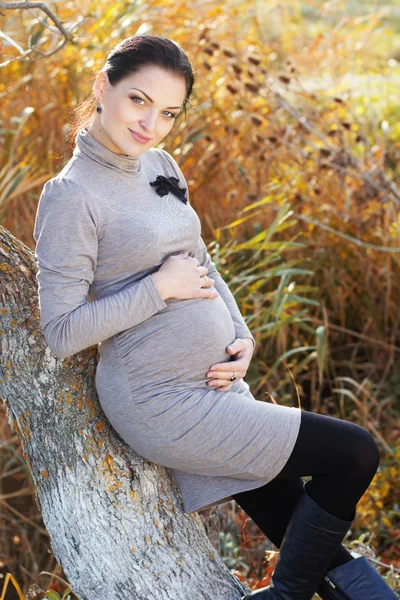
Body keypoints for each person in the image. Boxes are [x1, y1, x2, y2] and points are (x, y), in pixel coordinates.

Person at [33, 35, 397, 600]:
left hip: (216, 385)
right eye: (138, 100)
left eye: (168, 112)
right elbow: (60, 333)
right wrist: (158, 288)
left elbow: (199, 261)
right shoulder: (70, 196)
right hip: (158, 400)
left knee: (292, 514)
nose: (150, 123)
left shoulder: (159, 162)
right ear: (102, 88)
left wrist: (241, 335)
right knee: (354, 453)